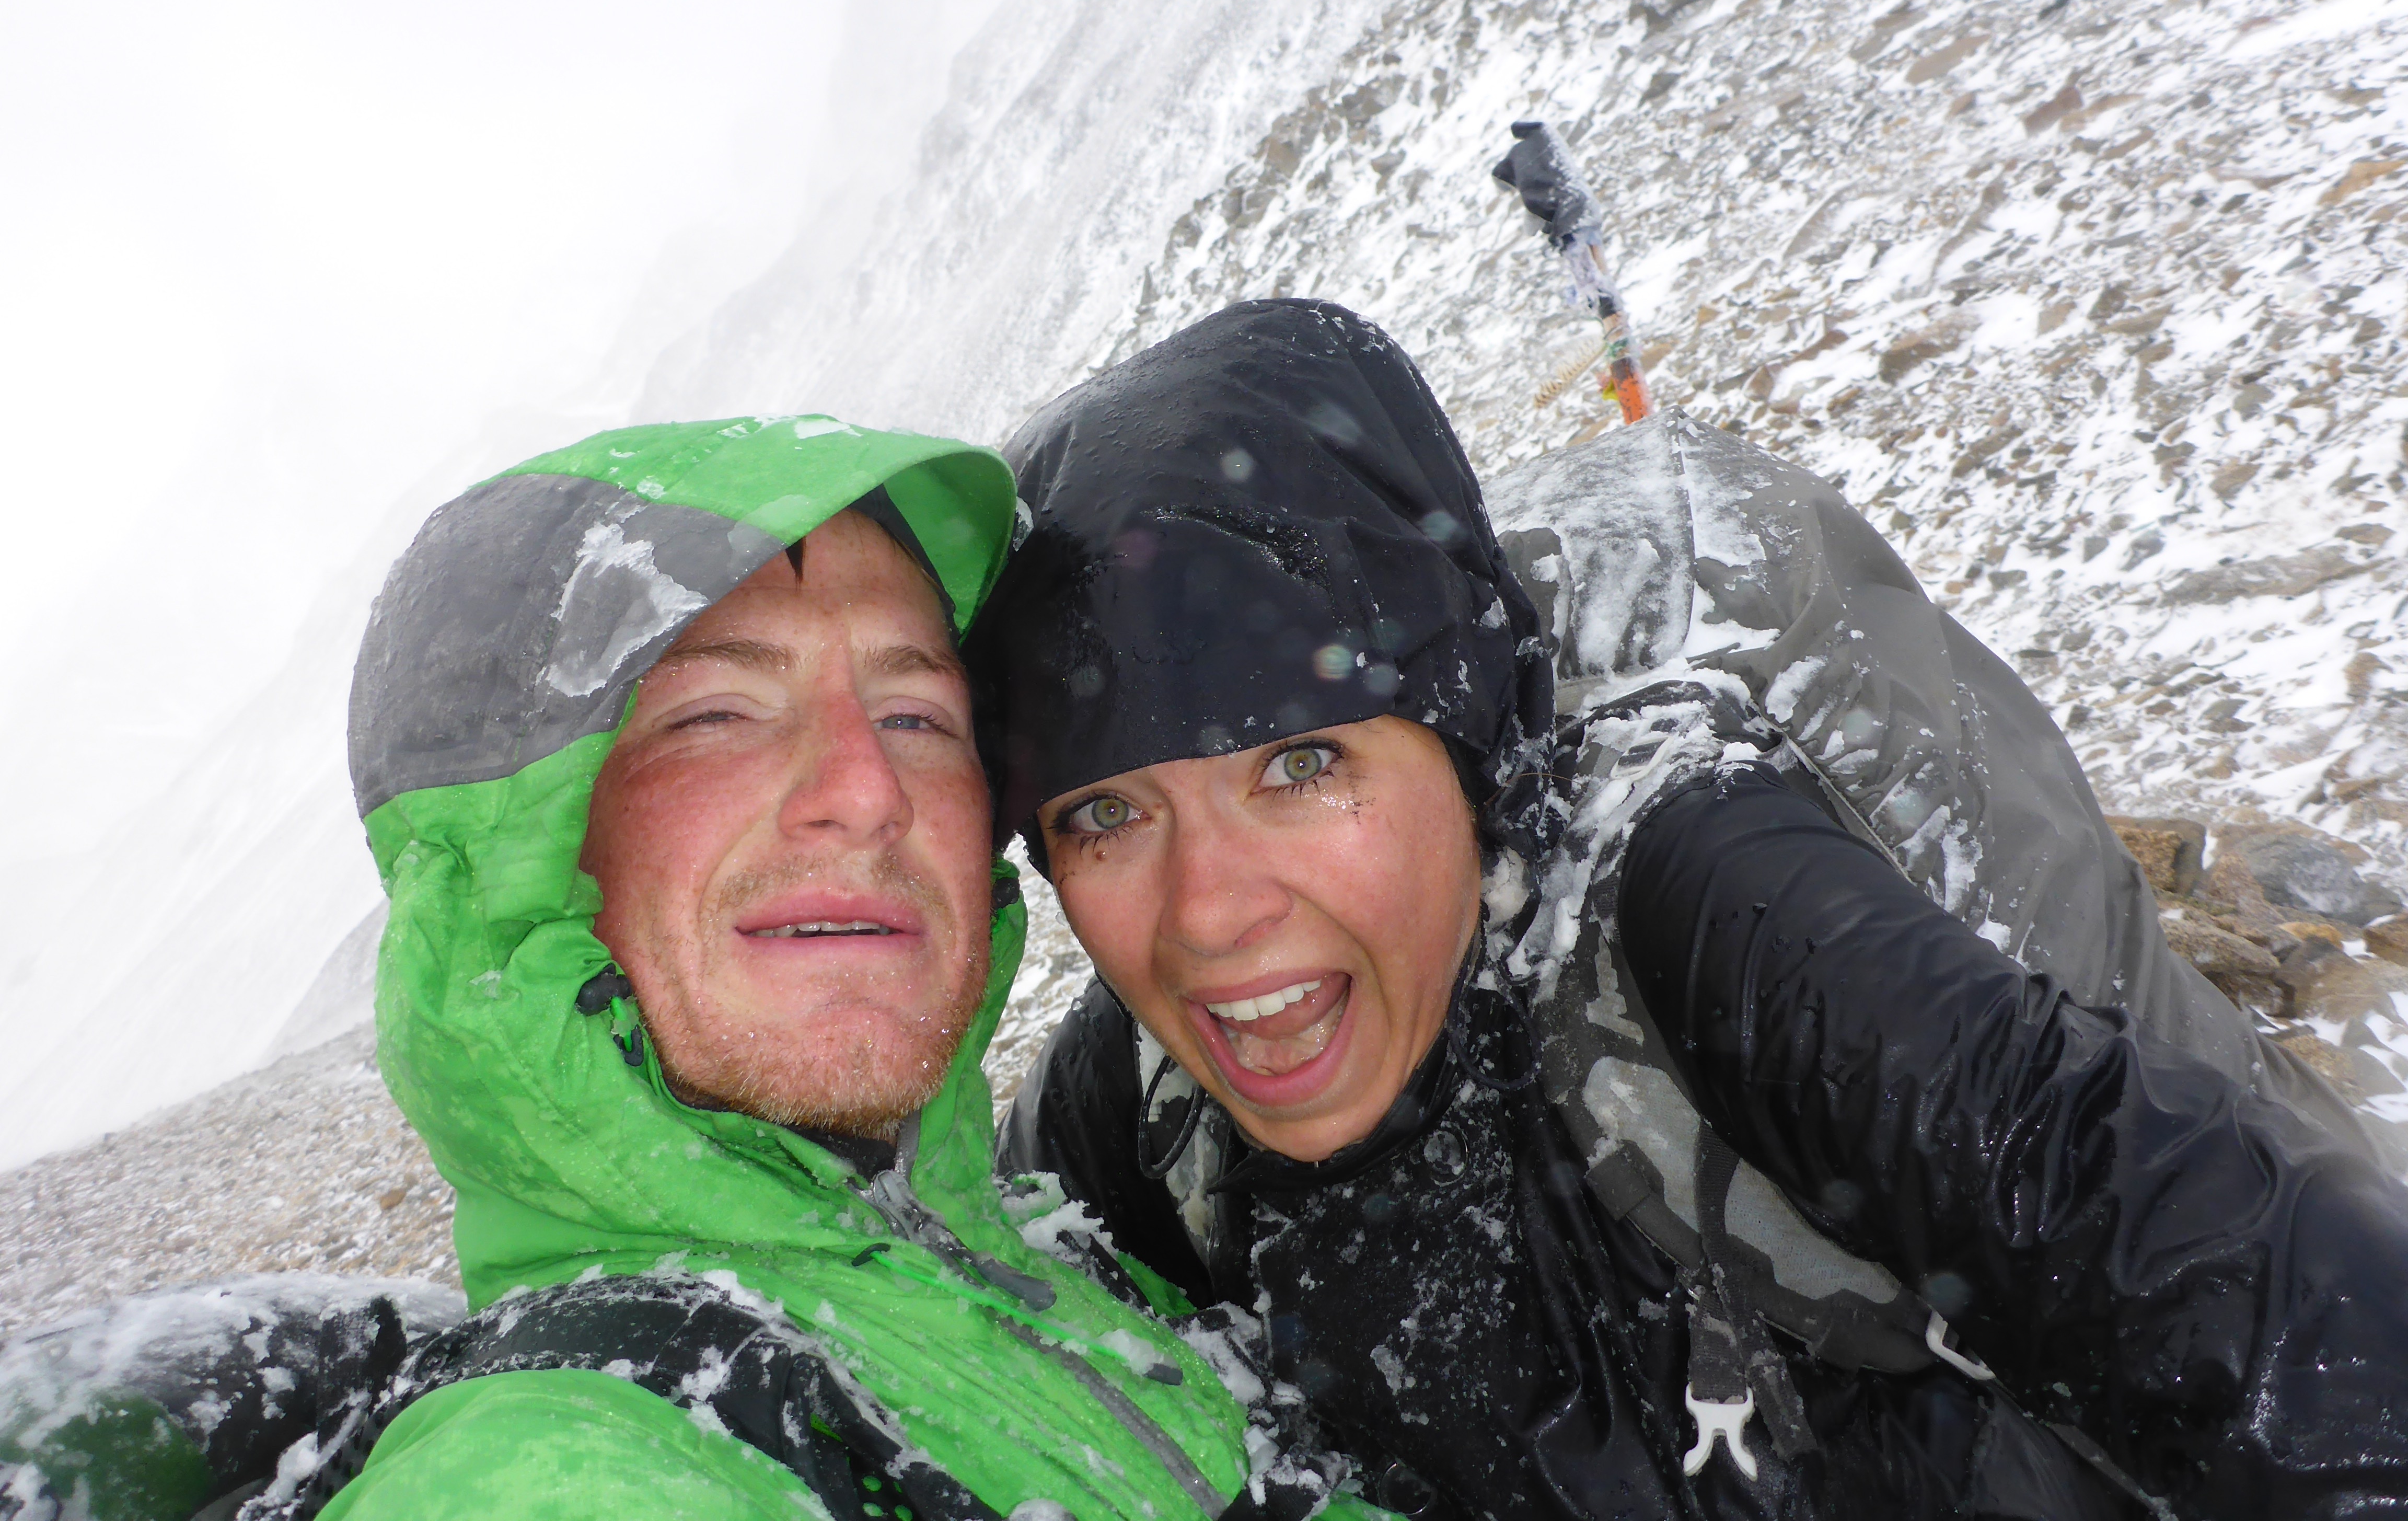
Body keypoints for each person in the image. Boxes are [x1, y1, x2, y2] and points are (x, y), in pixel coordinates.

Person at [977, 299, 2408, 1520]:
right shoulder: (1139, 1117)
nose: (1209, 918)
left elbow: (2245, 1293)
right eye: (1106, 814)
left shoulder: (1726, 924)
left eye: (1302, 763)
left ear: (1459, 723)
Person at [0, 414, 1382, 1519]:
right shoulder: (563, 1469)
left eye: (915, 712)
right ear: (522, 868)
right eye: (718, 713)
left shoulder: (1035, 1253)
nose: (866, 792)